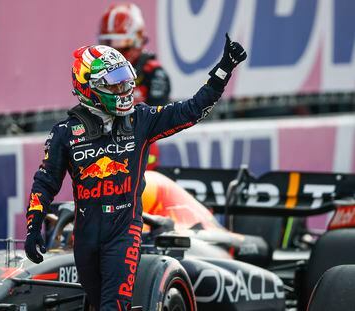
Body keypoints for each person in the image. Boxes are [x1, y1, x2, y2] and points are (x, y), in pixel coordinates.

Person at [24, 34, 246, 310]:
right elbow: (45, 183)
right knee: (94, 305)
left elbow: (192, 110)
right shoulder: (64, 133)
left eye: (125, 80)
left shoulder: (140, 119)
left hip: (124, 232)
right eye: (114, 84)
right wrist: (33, 227)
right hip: (85, 237)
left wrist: (223, 69)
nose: (124, 89)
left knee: (113, 306)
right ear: (88, 88)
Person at [98, 3, 170, 170]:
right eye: (109, 45)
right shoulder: (97, 72)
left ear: (137, 42)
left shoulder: (153, 72)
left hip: (140, 147)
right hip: (105, 145)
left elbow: (156, 118)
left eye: (121, 46)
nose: (115, 52)